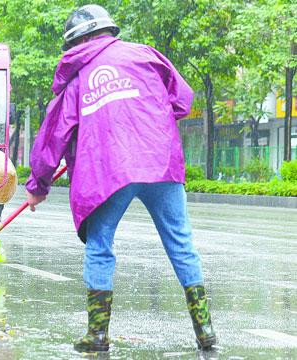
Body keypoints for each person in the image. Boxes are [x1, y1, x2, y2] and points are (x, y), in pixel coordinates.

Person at [25, 4, 217, 353]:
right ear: (108, 31)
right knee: (181, 242)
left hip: (109, 170)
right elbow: (183, 100)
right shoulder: (146, 56)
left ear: (76, 42)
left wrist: (38, 186)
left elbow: (53, 136)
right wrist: (151, 121)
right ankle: (205, 332)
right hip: (160, 163)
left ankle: (97, 335)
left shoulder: (78, 78)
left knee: (100, 246)